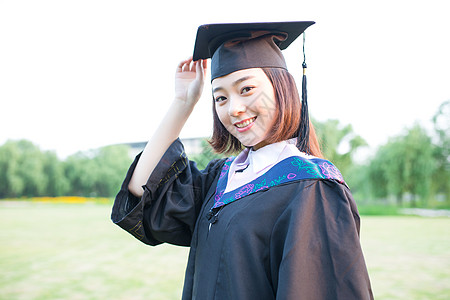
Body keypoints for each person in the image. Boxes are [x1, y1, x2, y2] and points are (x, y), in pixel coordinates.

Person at [111, 21, 373, 300]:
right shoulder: (222, 179)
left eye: (246, 89)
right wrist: (182, 102)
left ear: (280, 87)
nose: (234, 109)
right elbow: (143, 191)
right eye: (220, 98)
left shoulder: (312, 188)